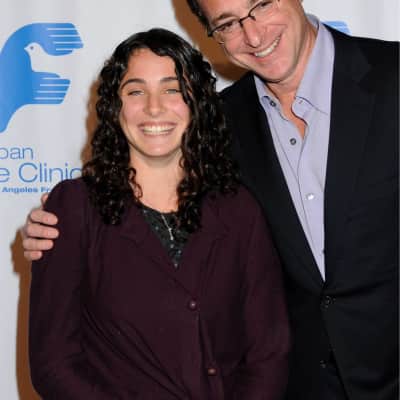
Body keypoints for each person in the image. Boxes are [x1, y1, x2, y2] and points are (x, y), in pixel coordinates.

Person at [23, 1, 399, 399]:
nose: (253, 34)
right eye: (228, 23)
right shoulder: (223, 122)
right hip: (306, 387)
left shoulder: (393, 77)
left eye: (261, 4)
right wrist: (58, 225)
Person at [28, 28, 289, 399]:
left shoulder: (239, 209)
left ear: (196, 102)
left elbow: (269, 351)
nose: (154, 107)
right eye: (135, 91)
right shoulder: (74, 208)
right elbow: (54, 364)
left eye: (172, 89)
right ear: (115, 106)